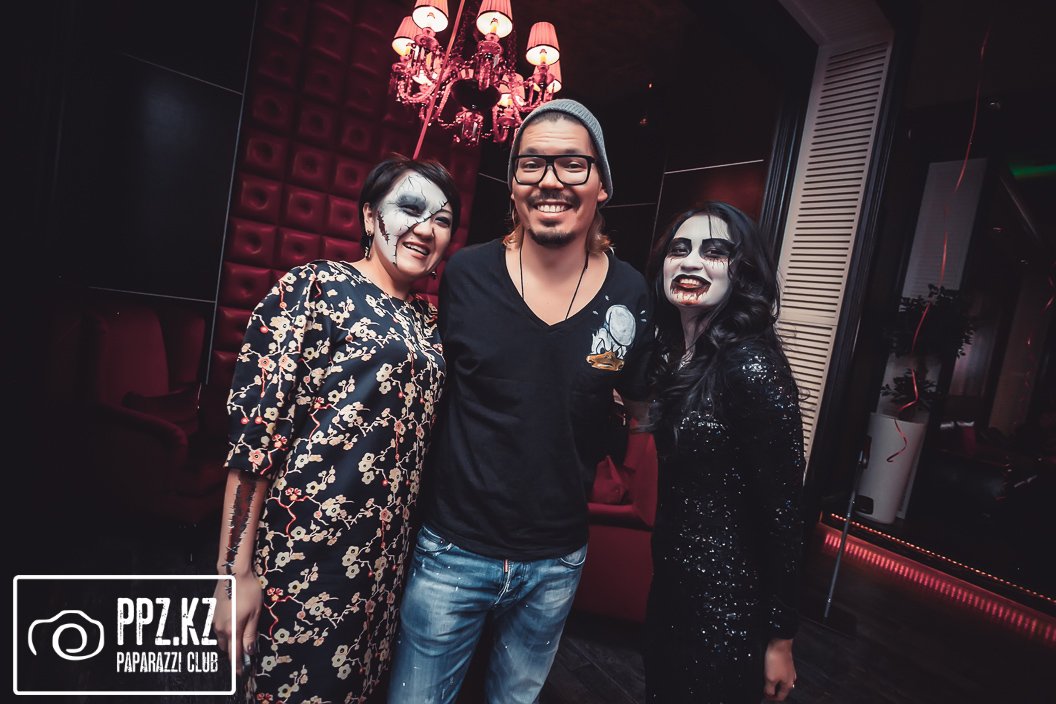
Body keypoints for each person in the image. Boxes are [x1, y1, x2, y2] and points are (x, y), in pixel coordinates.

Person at [388, 99, 653, 703]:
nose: (550, 181)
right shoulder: (466, 275)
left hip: (556, 560)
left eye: (573, 164)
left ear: (603, 184)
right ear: (513, 185)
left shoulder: (630, 291)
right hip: (452, 549)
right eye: (532, 164)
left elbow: (640, 407)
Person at [212, 155, 461, 703]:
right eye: (410, 208)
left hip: (385, 569)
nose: (425, 229)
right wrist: (233, 573)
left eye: (442, 220)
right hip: (304, 556)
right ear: (370, 216)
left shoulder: (428, 323)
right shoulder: (315, 287)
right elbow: (257, 438)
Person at [644, 203, 804, 703]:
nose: (691, 262)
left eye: (714, 252)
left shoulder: (751, 364)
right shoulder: (681, 356)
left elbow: (785, 512)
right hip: (673, 590)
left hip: (725, 608)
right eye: (679, 249)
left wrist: (781, 637)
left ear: (742, 272)